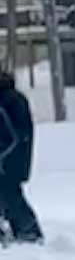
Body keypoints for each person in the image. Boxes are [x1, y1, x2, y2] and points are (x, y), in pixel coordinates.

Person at [0, 69, 42, 243]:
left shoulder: (8, 100)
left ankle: (29, 232)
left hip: (9, 160)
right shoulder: (10, 98)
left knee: (9, 194)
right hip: (12, 158)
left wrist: (2, 154)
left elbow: (13, 135)